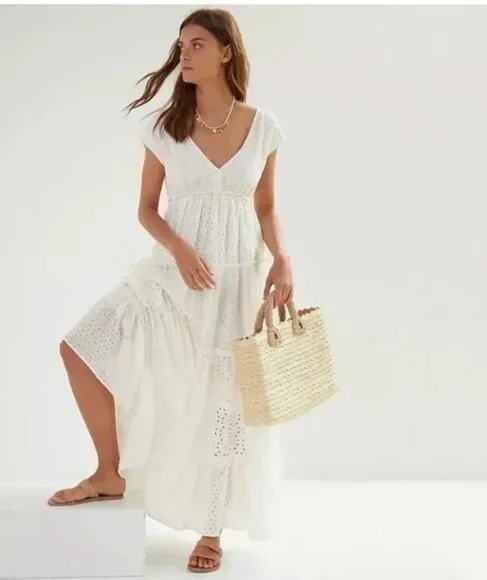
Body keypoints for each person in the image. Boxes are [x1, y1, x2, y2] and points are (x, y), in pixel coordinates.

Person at [47, 7, 293, 574]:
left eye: (198, 44)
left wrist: (283, 259)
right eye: (181, 45)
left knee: (224, 402)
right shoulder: (164, 127)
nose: (185, 53)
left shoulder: (263, 127)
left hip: (236, 281)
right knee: (79, 347)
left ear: (226, 52)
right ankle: (108, 471)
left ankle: (211, 532)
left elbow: (266, 207)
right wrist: (180, 250)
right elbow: (146, 209)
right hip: (172, 278)